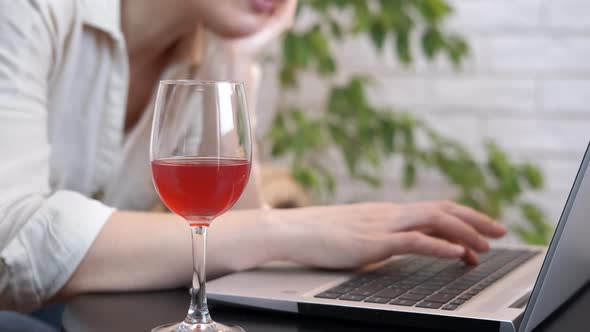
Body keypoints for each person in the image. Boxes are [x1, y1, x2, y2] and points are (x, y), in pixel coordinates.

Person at [0, 0, 506, 312]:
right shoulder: (30, 11)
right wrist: (294, 229)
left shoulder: (216, 52)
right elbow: (12, 240)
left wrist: (239, 64)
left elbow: (230, 251)